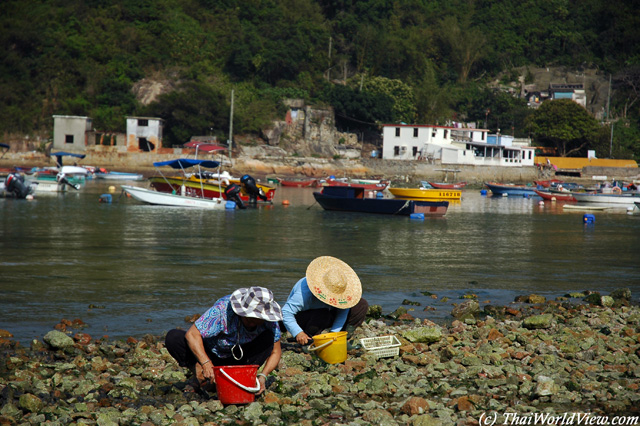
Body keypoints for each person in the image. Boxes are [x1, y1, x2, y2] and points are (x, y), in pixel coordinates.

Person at [165, 286, 282, 395]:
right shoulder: (222, 309)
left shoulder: (269, 320)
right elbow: (192, 334)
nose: (252, 323)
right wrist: (206, 364)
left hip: (240, 358)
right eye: (248, 319)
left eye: (256, 320)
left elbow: (276, 351)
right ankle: (200, 374)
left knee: (268, 338)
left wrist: (263, 376)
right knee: (174, 337)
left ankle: (241, 377)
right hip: (212, 353)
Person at [281, 256, 369, 345]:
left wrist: (334, 334)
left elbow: (343, 312)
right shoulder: (304, 293)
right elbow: (285, 312)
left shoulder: (343, 296)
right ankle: (308, 338)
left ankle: (344, 336)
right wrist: (298, 333)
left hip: (327, 315)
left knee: (361, 304)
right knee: (323, 314)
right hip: (306, 318)